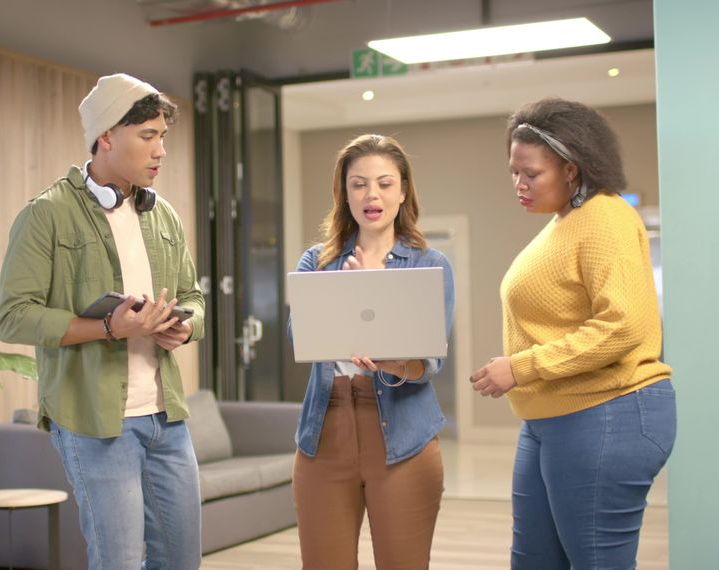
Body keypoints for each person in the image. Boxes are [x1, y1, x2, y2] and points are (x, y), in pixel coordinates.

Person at [0, 73, 205, 570]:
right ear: (106, 136)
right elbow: (13, 318)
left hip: (166, 420)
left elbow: (193, 297)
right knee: (119, 562)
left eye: (163, 138)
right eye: (148, 136)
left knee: (182, 561)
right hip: (94, 423)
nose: (161, 151)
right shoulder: (47, 214)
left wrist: (185, 326)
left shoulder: (164, 216)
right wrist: (110, 328)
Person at [470, 98, 676, 569]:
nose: (518, 185)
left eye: (531, 174)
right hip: (553, 417)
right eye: (513, 172)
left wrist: (521, 367)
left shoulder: (606, 217)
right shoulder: (562, 225)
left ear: (571, 168)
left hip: (608, 411)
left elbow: (623, 326)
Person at [289, 134, 455, 569]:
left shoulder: (429, 265)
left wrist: (390, 354)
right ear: (345, 194)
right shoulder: (317, 263)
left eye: (384, 183)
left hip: (404, 437)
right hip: (325, 433)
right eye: (358, 184)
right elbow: (300, 339)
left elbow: (428, 363)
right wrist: (348, 293)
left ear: (403, 191)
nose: (372, 194)